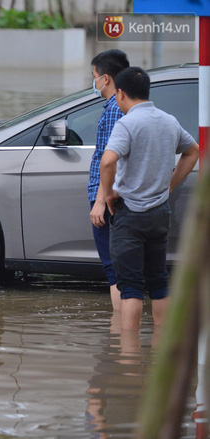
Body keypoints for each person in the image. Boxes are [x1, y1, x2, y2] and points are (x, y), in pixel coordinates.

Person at [100, 66, 199, 331]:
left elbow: (108, 161)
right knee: (158, 279)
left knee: (130, 286)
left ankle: (128, 359)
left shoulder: (127, 123)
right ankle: (158, 350)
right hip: (160, 212)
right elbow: (193, 151)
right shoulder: (168, 120)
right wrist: (170, 185)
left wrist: (108, 194)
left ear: (120, 93)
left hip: (129, 213)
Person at [88, 49, 130, 313]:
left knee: (114, 270)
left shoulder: (115, 109)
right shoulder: (115, 107)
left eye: (93, 76)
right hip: (109, 196)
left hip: (108, 199)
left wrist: (101, 200)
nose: (93, 82)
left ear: (105, 78)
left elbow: (110, 160)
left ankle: (121, 335)